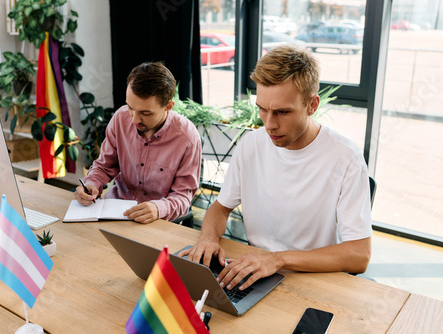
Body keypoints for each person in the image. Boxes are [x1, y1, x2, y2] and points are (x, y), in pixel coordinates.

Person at [180, 44, 372, 291]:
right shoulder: (251, 144)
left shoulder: (346, 159)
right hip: (254, 274)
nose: (269, 124)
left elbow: (359, 255)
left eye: (282, 112)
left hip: (311, 280)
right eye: (262, 108)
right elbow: (220, 207)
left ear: (312, 105)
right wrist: (208, 238)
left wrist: (278, 259)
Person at [75, 62, 202, 224]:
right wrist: (91, 184)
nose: (134, 119)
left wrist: (158, 208)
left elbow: (183, 197)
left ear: (168, 106)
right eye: (130, 108)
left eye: (145, 113)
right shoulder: (121, 118)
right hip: (114, 211)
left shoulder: (187, 138)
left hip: (156, 222)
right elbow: (103, 167)